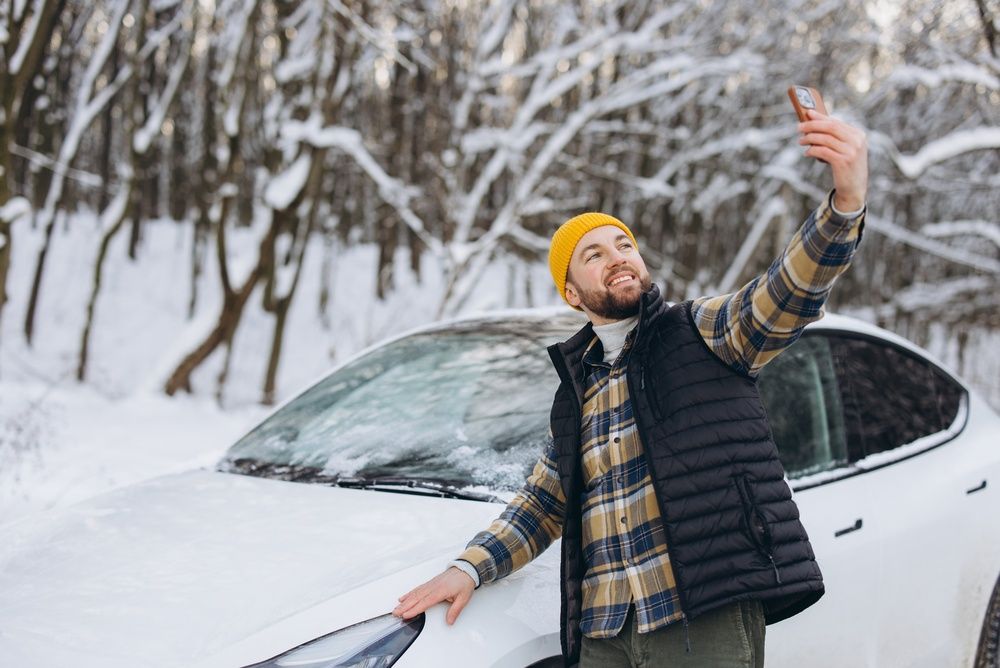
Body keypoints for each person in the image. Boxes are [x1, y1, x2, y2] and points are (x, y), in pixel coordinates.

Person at [393, 107, 868, 668]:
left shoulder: (703, 332)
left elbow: (786, 292)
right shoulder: (578, 388)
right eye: (593, 254)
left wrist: (844, 205)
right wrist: (469, 567)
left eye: (624, 245)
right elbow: (545, 500)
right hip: (604, 630)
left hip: (698, 616)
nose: (617, 257)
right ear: (572, 294)